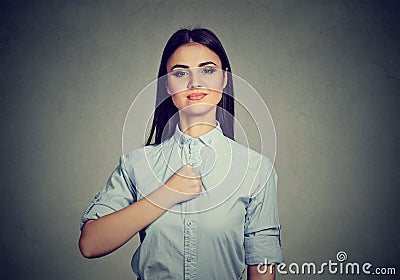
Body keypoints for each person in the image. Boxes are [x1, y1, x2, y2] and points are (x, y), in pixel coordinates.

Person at [79, 28, 283, 280]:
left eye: (207, 70)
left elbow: (262, 264)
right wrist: (165, 195)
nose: (194, 82)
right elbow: (90, 244)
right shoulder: (136, 165)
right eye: (180, 72)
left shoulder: (256, 170)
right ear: (166, 84)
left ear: (224, 79)